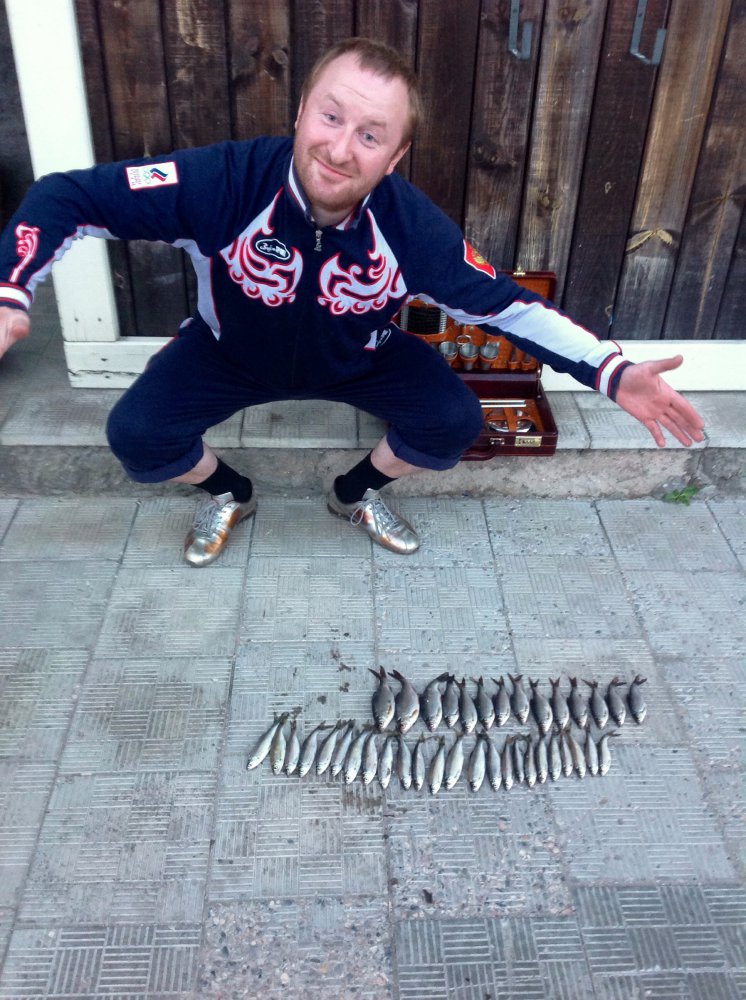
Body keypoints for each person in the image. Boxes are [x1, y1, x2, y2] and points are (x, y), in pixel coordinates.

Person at [0, 37, 704, 566]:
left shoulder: (412, 227)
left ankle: (354, 493)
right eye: (330, 117)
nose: (340, 150)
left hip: (359, 357)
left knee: (455, 421)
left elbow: (508, 307)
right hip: (228, 352)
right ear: (302, 111)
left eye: (370, 136)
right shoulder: (223, 181)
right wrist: (11, 289)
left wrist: (610, 370)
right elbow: (66, 197)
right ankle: (230, 492)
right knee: (136, 433)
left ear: (395, 156)